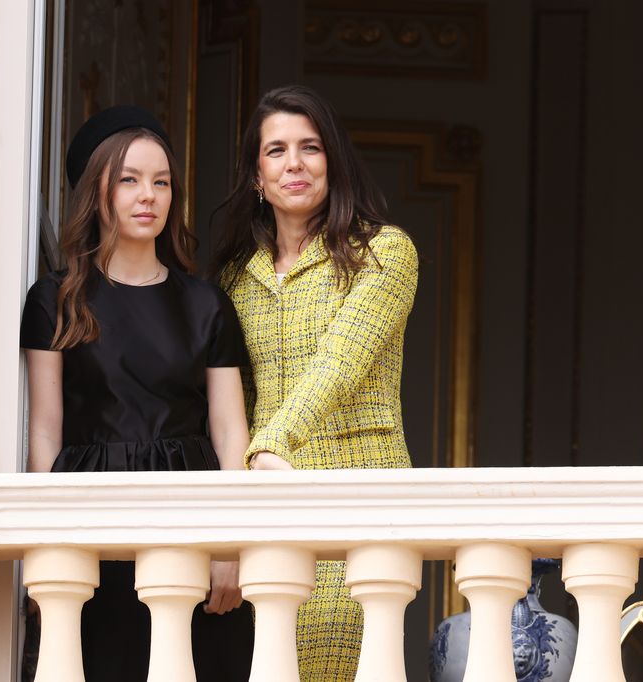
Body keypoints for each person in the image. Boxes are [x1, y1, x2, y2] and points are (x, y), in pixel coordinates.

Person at [20, 105, 254, 681]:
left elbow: (229, 432)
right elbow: (45, 430)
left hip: (192, 513)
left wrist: (230, 546)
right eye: (128, 180)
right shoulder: (55, 299)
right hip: (90, 518)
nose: (147, 195)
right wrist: (44, 546)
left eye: (161, 182)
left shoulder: (207, 304)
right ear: (96, 191)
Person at [209, 85, 419, 681]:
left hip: (358, 497)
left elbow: (339, 362)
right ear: (256, 174)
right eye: (276, 151)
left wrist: (271, 448)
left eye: (311, 147)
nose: (294, 163)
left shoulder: (384, 253)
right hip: (263, 504)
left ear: (334, 162)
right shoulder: (234, 277)